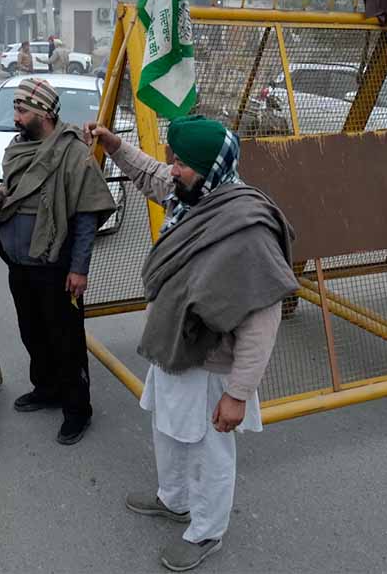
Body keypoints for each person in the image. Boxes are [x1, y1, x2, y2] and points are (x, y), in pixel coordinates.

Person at [85, 115, 297, 572]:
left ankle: (206, 531)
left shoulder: (247, 230)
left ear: (210, 166)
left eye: (181, 162)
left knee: (208, 451)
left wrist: (238, 395)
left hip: (213, 364)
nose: (172, 168)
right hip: (173, 349)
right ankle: (174, 499)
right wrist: (115, 145)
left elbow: (262, 322)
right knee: (168, 430)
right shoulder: (195, 194)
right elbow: (148, 174)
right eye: (173, 159)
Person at [0, 78, 116, 445]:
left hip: (57, 268)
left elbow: (85, 217)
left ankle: (78, 410)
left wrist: (79, 269)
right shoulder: (18, 148)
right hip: (20, 265)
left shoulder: (73, 154)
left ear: (44, 114)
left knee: (66, 341)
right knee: (33, 333)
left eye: (22, 110)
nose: (15, 117)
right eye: (15, 109)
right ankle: (46, 388)